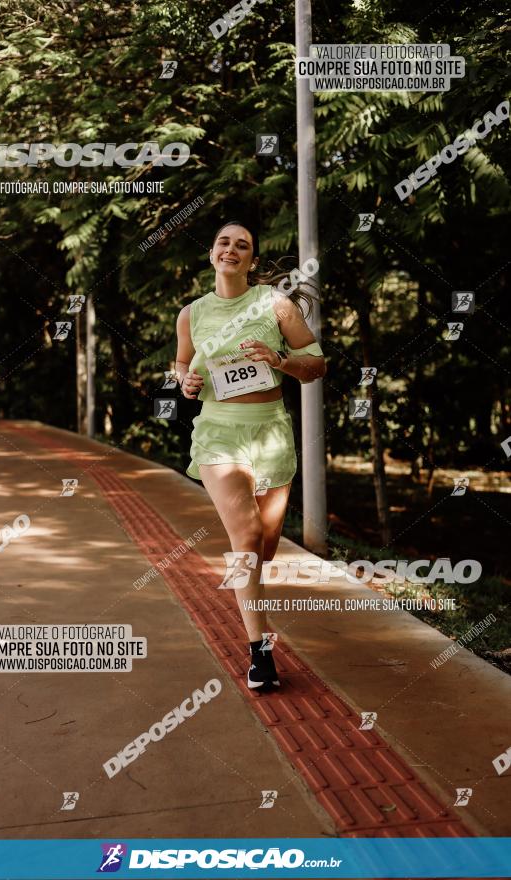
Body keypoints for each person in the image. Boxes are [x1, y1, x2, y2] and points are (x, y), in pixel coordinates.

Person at [175, 221, 326, 691]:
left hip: (272, 434)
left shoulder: (274, 305)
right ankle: (260, 650)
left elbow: (316, 364)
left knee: (263, 549)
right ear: (212, 254)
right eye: (223, 241)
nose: (232, 249)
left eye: (243, 244)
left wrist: (279, 361)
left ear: (252, 261)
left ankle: (246, 596)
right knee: (246, 532)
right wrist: (185, 381)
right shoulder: (192, 314)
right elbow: (182, 363)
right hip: (219, 432)